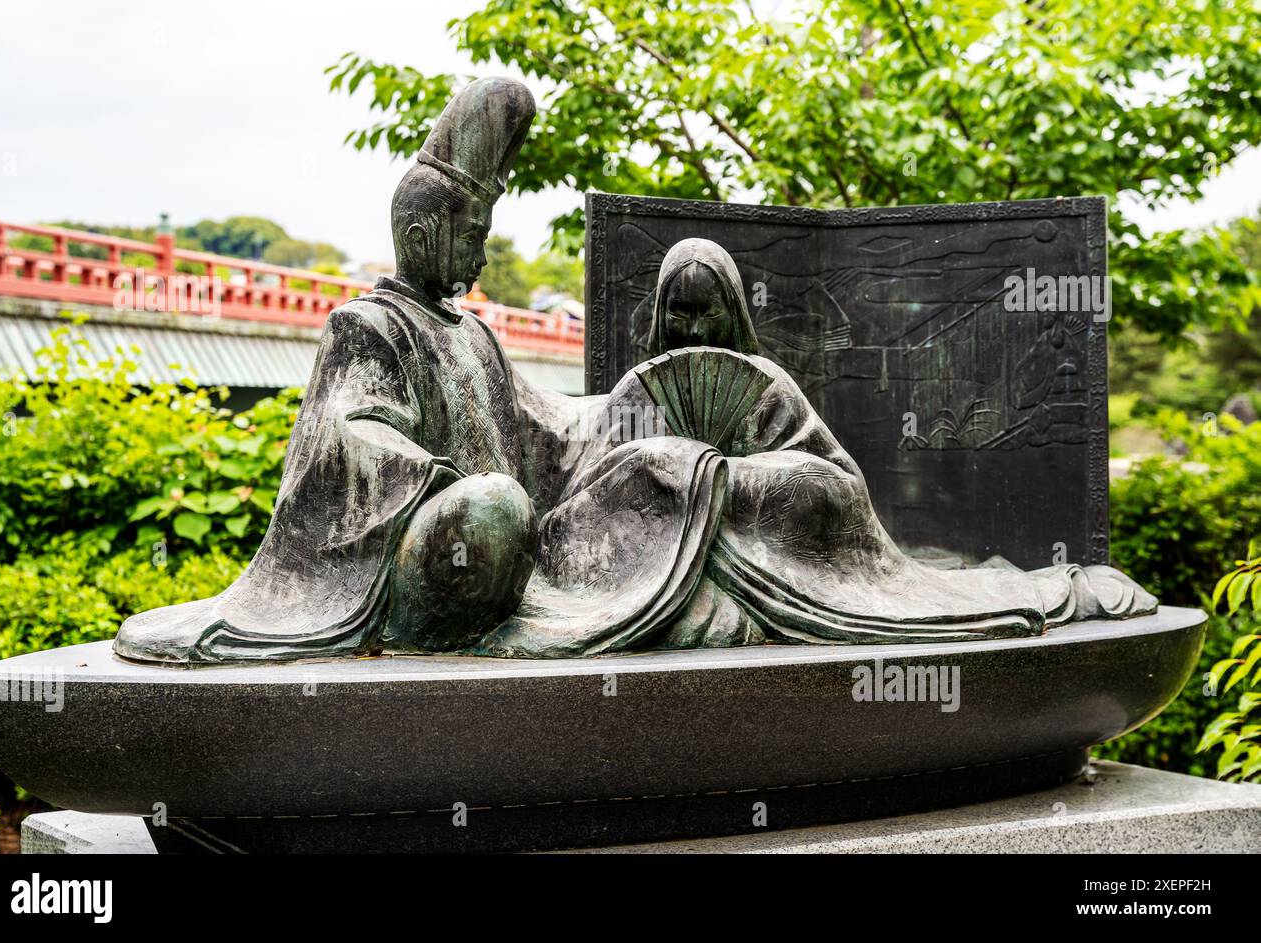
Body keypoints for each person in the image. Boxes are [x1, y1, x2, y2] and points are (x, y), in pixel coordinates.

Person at [478, 238, 1155, 657]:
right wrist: (653, 480)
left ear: (732, 312)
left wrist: (720, 482)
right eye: (675, 313)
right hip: (645, 581)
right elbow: (581, 506)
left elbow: (836, 488)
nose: (689, 327)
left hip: (776, 571)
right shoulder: (636, 391)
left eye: (702, 311)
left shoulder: (767, 388)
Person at [114, 78, 548, 663]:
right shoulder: (369, 325)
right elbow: (351, 434)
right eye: (473, 238)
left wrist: (629, 411)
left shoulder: (477, 335)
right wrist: (445, 483)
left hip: (504, 550)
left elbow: (543, 426)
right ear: (422, 238)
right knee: (494, 505)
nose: (482, 258)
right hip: (426, 553)